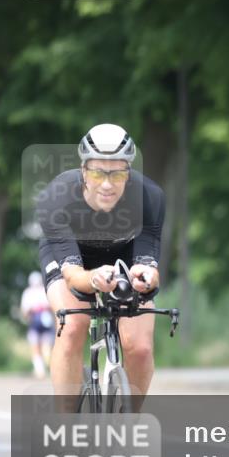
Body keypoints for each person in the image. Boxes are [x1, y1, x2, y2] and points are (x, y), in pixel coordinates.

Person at [35, 123, 164, 402]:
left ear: (128, 174)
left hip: (123, 253)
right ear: (83, 171)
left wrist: (147, 275)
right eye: (97, 172)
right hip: (70, 256)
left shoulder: (149, 197)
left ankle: (129, 422)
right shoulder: (55, 199)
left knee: (140, 348)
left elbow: (148, 260)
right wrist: (94, 279)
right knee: (72, 325)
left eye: (117, 174)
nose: (106, 184)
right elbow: (73, 276)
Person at [20, 271, 54, 379]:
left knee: (36, 347)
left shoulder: (28, 293)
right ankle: (44, 368)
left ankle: (40, 370)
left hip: (35, 322)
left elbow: (25, 311)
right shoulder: (46, 290)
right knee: (46, 347)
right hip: (46, 322)